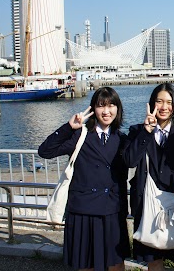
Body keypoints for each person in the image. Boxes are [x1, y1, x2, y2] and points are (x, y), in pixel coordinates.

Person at [38, 86, 130, 271]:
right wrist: (68, 127)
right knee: (86, 265)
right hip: (83, 210)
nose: (106, 111)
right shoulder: (81, 136)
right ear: (93, 109)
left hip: (112, 210)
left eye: (111, 105)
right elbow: (45, 151)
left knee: (116, 265)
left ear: (118, 109)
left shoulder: (122, 139)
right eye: (101, 106)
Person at [123, 83, 174, 271]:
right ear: (151, 104)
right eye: (159, 101)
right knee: (153, 261)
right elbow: (130, 160)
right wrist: (146, 132)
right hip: (147, 204)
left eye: (169, 102)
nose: (164, 107)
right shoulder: (137, 131)